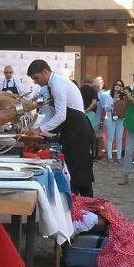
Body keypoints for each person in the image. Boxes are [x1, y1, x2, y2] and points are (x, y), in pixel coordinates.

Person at [27, 59, 96, 196]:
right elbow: (51, 115)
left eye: (36, 78)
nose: (35, 82)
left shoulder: (57, 84)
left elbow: (60, 116)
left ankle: (88, 210)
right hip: (70, 130)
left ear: (45, 72)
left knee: (80, 174)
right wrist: (37, 129)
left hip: (78, 130)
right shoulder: (51, 85)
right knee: (71, 173)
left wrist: (40, 130)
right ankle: (75, 210)